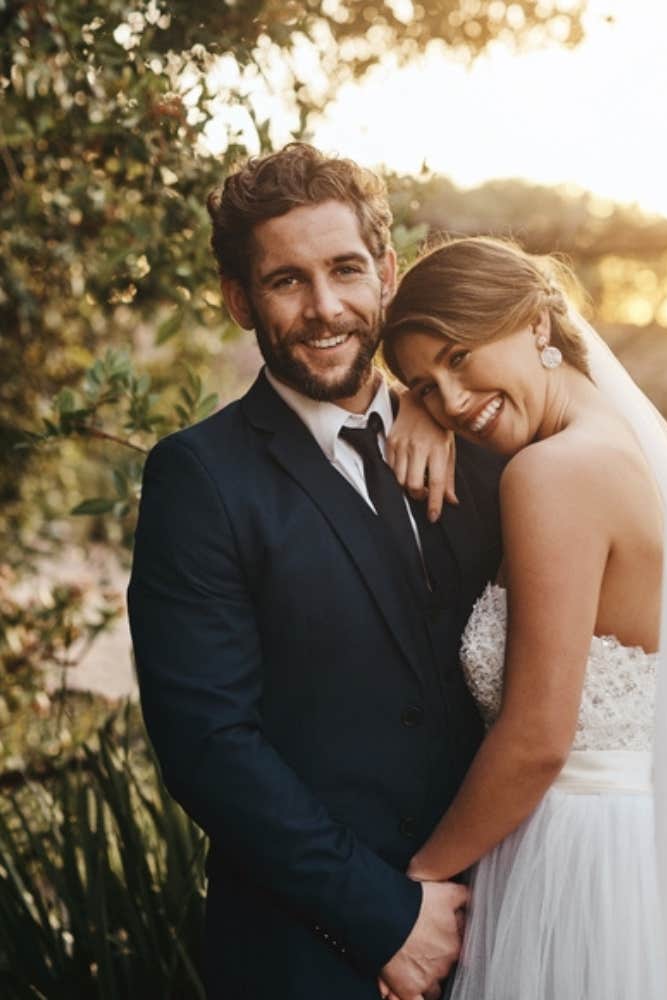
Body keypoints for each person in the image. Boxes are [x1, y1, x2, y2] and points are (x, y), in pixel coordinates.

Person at [380, 235, 667, 1000]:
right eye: (425, 384)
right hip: (641, 846)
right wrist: (413, 402)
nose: (452, 401)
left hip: (576, 860)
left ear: (537, 324)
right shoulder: (607, 443)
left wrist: (416, 890)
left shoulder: (551, 475)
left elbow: (537, 739)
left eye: (461, 357)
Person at [126, 146, 504, 1000]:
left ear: (387, 273)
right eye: (287, 281)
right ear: (239, 299)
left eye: (345, 270)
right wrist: (385, 921)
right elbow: (209, 746)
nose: (325, 308)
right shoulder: (199, 478)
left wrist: (430, 401)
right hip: (309, 957)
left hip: (509, 930)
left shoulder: (480, 445)